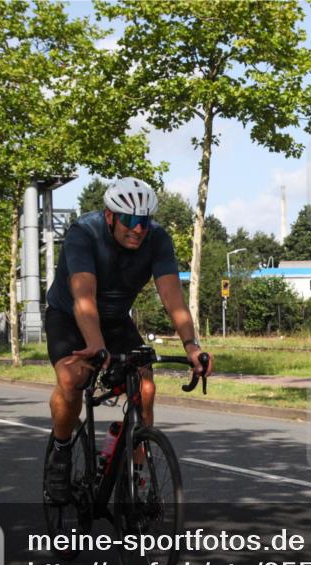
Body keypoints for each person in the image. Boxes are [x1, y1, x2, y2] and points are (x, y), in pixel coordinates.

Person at [43, 177, 212, 504]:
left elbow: (173, 299)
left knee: (145, 386)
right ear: (110, 216)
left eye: (144, 221)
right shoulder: (84, 233)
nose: (138, 229)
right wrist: (96, 345)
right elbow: (84, 297)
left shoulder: (157, 239)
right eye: (130, 220)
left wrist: (192, 347)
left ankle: (135, 475)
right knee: (73, 379)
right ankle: (61, 452)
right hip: (70, 316)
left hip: (116, 320)